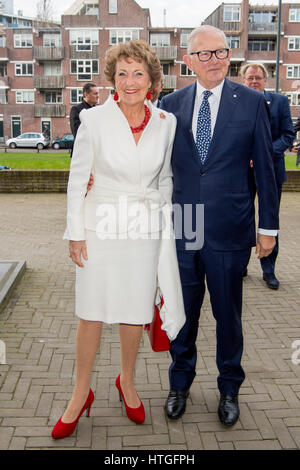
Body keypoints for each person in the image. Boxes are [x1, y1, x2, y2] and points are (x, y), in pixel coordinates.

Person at [51, 40, 185, 439]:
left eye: (138, 73)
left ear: (152, 82)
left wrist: (162, 225)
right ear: (113, 79)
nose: (130, 81)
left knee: (134, 311)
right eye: (122, 73)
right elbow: (77, 180)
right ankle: (80, 392)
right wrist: (75, 233)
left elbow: (164, 179)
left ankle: (126, 381)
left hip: (144, 231)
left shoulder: (166, 122)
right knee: (90, 312)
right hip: (100, 227)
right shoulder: (94, 119)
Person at [160, 25, 279, 426]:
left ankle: (229, 387)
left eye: (221, 52)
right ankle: (180, 382)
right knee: (185, 309)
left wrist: (269, 228)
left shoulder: (251, 102)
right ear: (189, 60)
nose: (215, 61)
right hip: (186, 222)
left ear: (230, 56)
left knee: (228, 314)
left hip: (230, 225)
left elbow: (265, 170)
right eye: (205, 54)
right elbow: (157, 165)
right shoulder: (171, 104)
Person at [241, 63, 295, 289]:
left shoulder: (280, 102)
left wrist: (263, 153)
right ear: (243, 80)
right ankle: (240, 265)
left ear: (265, 80)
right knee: (242, 219)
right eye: (250, 77)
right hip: (242, 172)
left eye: (258, 78)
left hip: (271, 172)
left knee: (269, 219)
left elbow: (288, 135)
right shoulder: (237, 102)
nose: (254, 81)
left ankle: (269, 270)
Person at [69, 83, 99, 157]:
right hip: (82, 152)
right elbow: (77, 132)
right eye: (95, 94)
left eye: (98, 93)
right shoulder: (76, 109)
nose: (98, 96)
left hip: (97, 152)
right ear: (86, 95)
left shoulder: (98, 110)